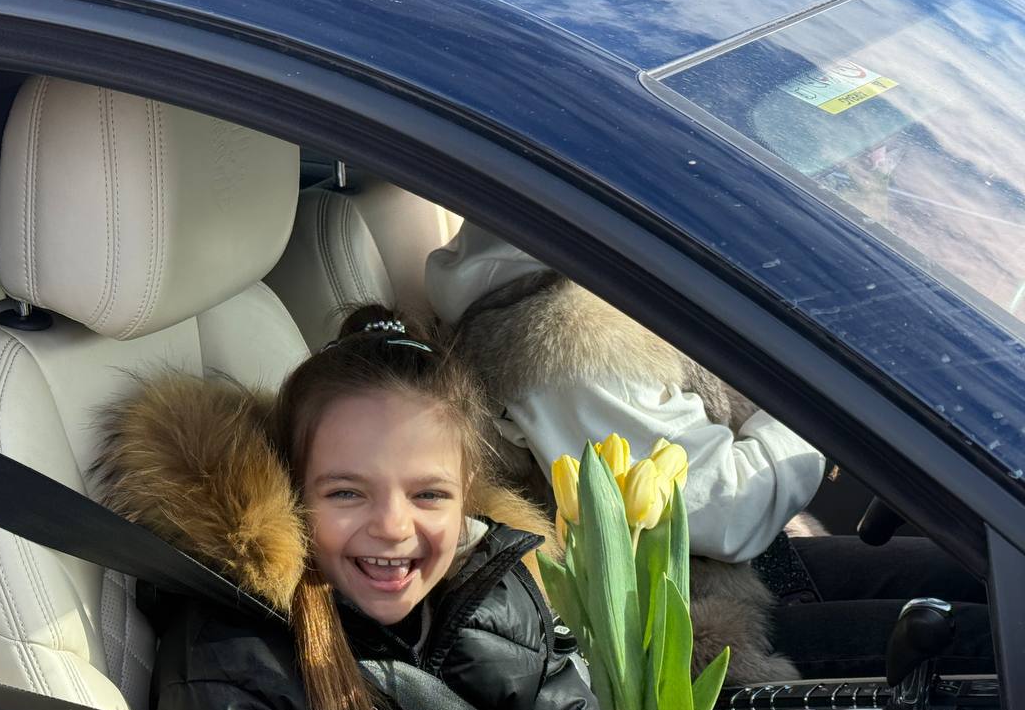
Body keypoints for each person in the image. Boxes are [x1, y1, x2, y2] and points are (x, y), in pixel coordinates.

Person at [93, 305, 700, 710]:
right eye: (346, 492)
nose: (391, 526)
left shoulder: (496, 585)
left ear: (467, 498)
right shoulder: (230, 668)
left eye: (429, 494)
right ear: (289, 492)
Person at [424, 225, 993, 680]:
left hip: (751, 566)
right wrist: (823, 407)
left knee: (978, 579)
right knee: (985, 639)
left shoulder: (600, 266)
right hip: (697, 623)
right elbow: (724, 512)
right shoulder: (563, 341)